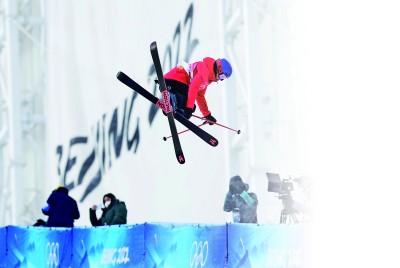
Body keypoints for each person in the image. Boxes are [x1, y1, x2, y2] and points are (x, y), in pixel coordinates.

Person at [164, 57, 233, 124]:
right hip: (174, 79)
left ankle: (172, 105)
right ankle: (171, 103)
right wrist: (189, 108)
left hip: (177, 83)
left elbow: (200, 96)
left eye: (223, 78)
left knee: (191, 107)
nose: (220, 79)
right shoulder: (204, 71)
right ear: (219, 69)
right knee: (188, 105)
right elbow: (193, 87)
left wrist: (207, 115)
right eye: (222, 76)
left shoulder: (207, 79)